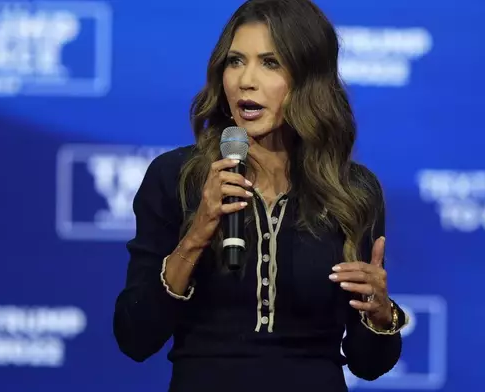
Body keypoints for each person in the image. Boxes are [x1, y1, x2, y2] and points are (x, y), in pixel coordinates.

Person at [113, 0, 409, 390]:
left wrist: (380, 314)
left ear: (308, 78)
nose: (245, 80)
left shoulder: (351, 191)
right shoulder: (177, 178)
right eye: (235, 61)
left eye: (270, 63)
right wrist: (196, 236)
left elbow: (369, 364)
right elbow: (135, 337)